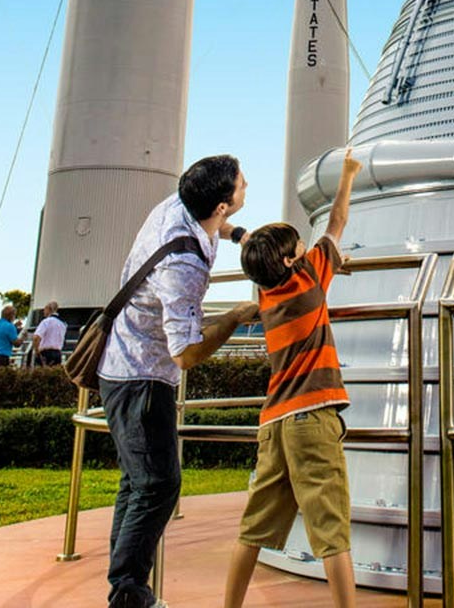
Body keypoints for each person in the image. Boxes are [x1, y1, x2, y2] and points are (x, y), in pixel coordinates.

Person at [101, 155, 256, 608]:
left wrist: (241, 235)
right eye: (242, 185)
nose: (248, 185)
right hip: (143, 378)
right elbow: (185, 354)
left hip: (124, 367)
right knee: (159, 486)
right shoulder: (183, 266)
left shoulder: (179, 206)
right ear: (223, 204)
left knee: (137, 484)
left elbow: (214, 226)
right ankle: (129, 595)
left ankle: (126, 589)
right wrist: (234, 318)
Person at [224, 149, 362, 608]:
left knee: (255, 526)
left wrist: (231, 231)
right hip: (312, 419)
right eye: (298, 249)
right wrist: (347, 175)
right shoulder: (307, 281)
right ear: (289, 264)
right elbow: (337, 223)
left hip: (274, 421)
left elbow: (255, 245)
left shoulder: (265, 295)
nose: (306, 249)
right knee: (331, 528)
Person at [34, 300, 67, 367]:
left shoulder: (46, 321)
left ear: (48, 309)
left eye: (45, 309)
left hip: (46, 353)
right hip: (58, 353)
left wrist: (37, 351)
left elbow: (36, 337)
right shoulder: (63, 324)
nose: (43, 311)